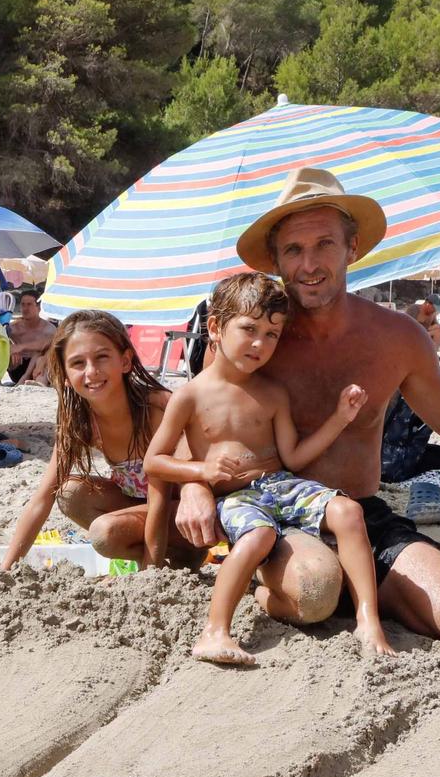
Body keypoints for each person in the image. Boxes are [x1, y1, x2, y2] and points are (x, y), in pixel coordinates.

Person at [172, 168, 440, 641]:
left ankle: (363, 590)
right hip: (276, 511)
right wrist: (194, 487)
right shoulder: (253, 339)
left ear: (352, 248)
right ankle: (275, 583)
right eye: (293, 249)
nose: (309, 264)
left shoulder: (396, 338)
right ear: (275, 259)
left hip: (360, 511)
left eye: (324, 245)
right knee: (314, 592)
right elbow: (197, 419)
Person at [144, 273, 386, 665]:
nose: (260, 343)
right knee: (256, 537)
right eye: (249, 329)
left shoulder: (272, 393)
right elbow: (153, 462)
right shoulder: (190, 395)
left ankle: (367, 618)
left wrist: (341, 418)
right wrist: (203, 471)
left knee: (348, 511)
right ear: (216, 327)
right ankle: (215, 630)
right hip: (238, 497)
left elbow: (293, 458)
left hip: (281, 483)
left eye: (272, 334)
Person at [1, 310, 203, 571]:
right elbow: (42, 498)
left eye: (101, 357)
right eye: (77, 363)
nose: (91, 372)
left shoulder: (154, 409)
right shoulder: (79, 420)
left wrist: (148, 575)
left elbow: (161, 500)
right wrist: (7, 568)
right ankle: (168, 562)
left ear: (126, 360)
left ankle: (180, 557)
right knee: (69, 493)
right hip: (145, 509)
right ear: (63, 374)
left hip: (187, 515)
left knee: (104, 533)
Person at [6, 289, 55, 383]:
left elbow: (49, 345)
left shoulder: (48, 329)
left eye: (29, 304)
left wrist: (20, 347)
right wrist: (10, 348)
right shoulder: (14, 328)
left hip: (38, 371)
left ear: (39, 308)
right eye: (23, 304)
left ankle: (32, 381)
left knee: (40, 353)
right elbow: (1, 340)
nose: (25, 308)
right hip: (17, 368)